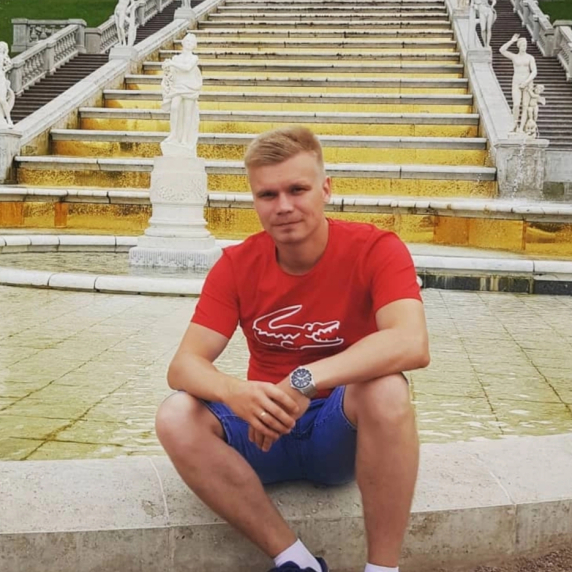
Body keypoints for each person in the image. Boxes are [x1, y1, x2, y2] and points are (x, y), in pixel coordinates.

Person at [156, 126, 430, 572]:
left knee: (388, 389)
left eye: (297, 189)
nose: (283, 206)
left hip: (337, 433)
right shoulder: (235, 264)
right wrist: (234, 392)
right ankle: (295, 560)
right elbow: (184, 365)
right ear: (254, 200)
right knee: (175, 415)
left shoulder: (376, 249)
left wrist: (304, 380)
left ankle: (382, 569)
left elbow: (411, 341)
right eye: (267, 194)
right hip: (264, 434)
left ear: (326, 189)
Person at [160, 33, 202, 154]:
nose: (189, 43)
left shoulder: (194, 58)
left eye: (191, 42)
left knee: (188, 113)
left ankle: (184, 138)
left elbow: (187, 68)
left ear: (194, 45)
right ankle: (173, 134)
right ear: (183, 43)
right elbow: (171, 73)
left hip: (190, 87)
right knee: (174, 107)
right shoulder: (176, 58)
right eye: (187, 41)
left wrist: (172, 64)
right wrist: (166, 67)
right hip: (178, 87)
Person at [499, 34, 538, 133]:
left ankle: (521, 128)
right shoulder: (514, 57)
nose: (525, 47)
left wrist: (526, 82)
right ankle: (515, 124)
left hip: (527, 83)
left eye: (526, 45)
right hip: (516, 82)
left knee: (525, 106)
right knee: (516, 104)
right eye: (523, 45)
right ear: (519, 46)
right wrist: (512, 41)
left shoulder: (530, 58)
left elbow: (534, 71)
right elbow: (502, 50)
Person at [0, 41, 15, 129]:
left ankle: (9, 119)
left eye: (2, 47)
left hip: (1, 79)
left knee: (2, 100)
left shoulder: (3, 56)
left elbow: (9, 65)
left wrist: (2, 71)